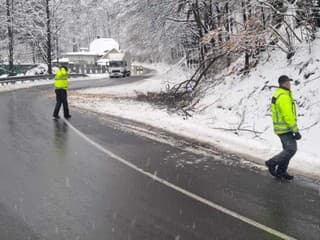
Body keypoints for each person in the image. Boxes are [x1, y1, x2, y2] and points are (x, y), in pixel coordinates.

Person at [265, 75, 301, 180]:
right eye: (288, 82)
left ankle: (281, 171)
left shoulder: (280, 94)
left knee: (287, 150)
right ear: (283, 84)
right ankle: (272, 163)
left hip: (282, 128)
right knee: (291, 150)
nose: (290, 84)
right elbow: (287, 115)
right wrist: (295, 130)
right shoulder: (283, 96)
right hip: (285, 129)